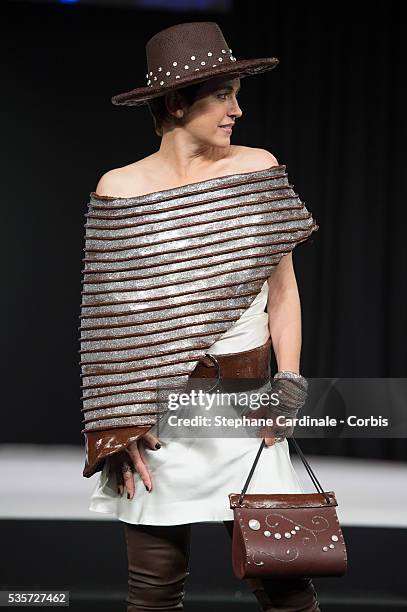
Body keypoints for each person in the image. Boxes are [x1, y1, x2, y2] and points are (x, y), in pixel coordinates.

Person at [79, 22, 321, 611]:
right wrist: (116, 423)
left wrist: (287, 383)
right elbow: (107, 328)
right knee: (154, 590)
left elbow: (283, 293)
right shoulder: (119, 189)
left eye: (237, 93)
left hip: (246, 410)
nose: (237, 109)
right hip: (160, 421)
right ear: (175, 102)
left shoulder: (256, 168)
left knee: (287, 582)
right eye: (224, 95)